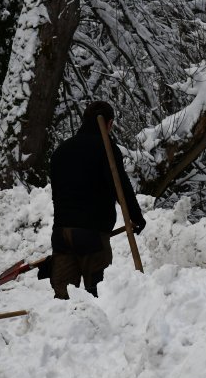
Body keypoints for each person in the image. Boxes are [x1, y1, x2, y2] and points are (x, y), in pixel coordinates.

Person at [49, 101, 145, 299]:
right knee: (97, 295)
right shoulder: (106, 149)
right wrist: (136, 217)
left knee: (63, 301)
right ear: (109, 124)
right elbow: (122, 188)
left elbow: (57, 195)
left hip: (61, 234)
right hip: (91, 236)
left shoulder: (60, 152)